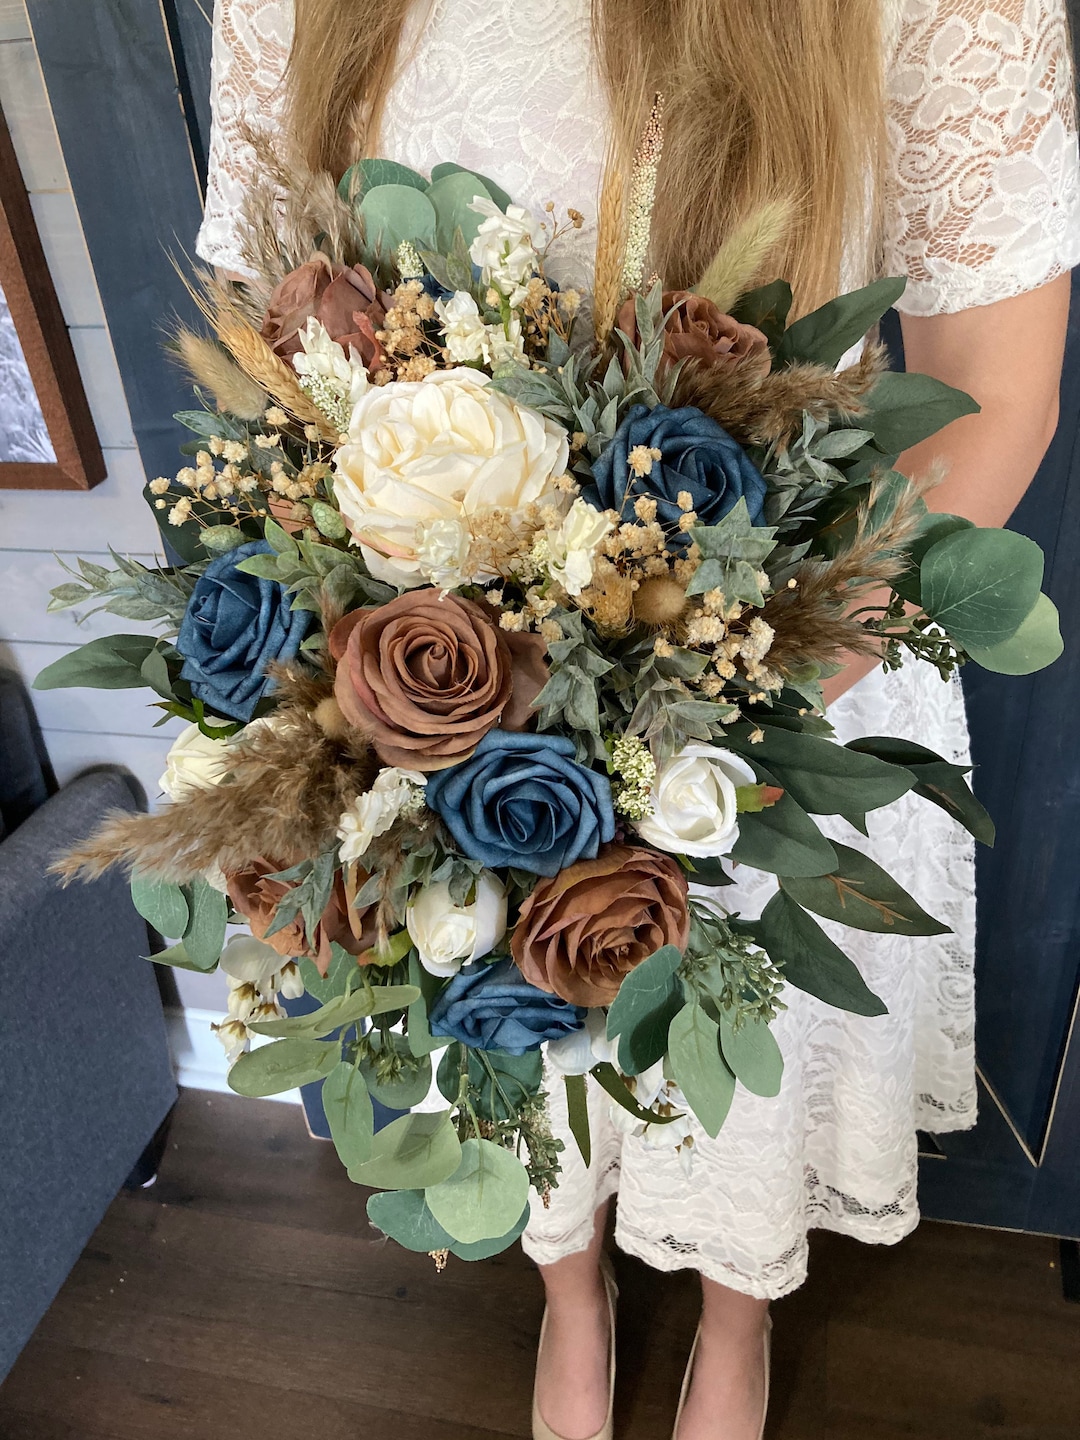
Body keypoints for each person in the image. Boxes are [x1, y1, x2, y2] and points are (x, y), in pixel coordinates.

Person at [196, 3, 1080, 1437]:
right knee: (493, 993)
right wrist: (398, 677)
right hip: (423, 669)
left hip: (770, 670)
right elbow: (261, 290)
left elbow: (997, 388)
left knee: (735, 1021)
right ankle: (571, 1293)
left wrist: (706, 710)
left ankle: (736, 1300)